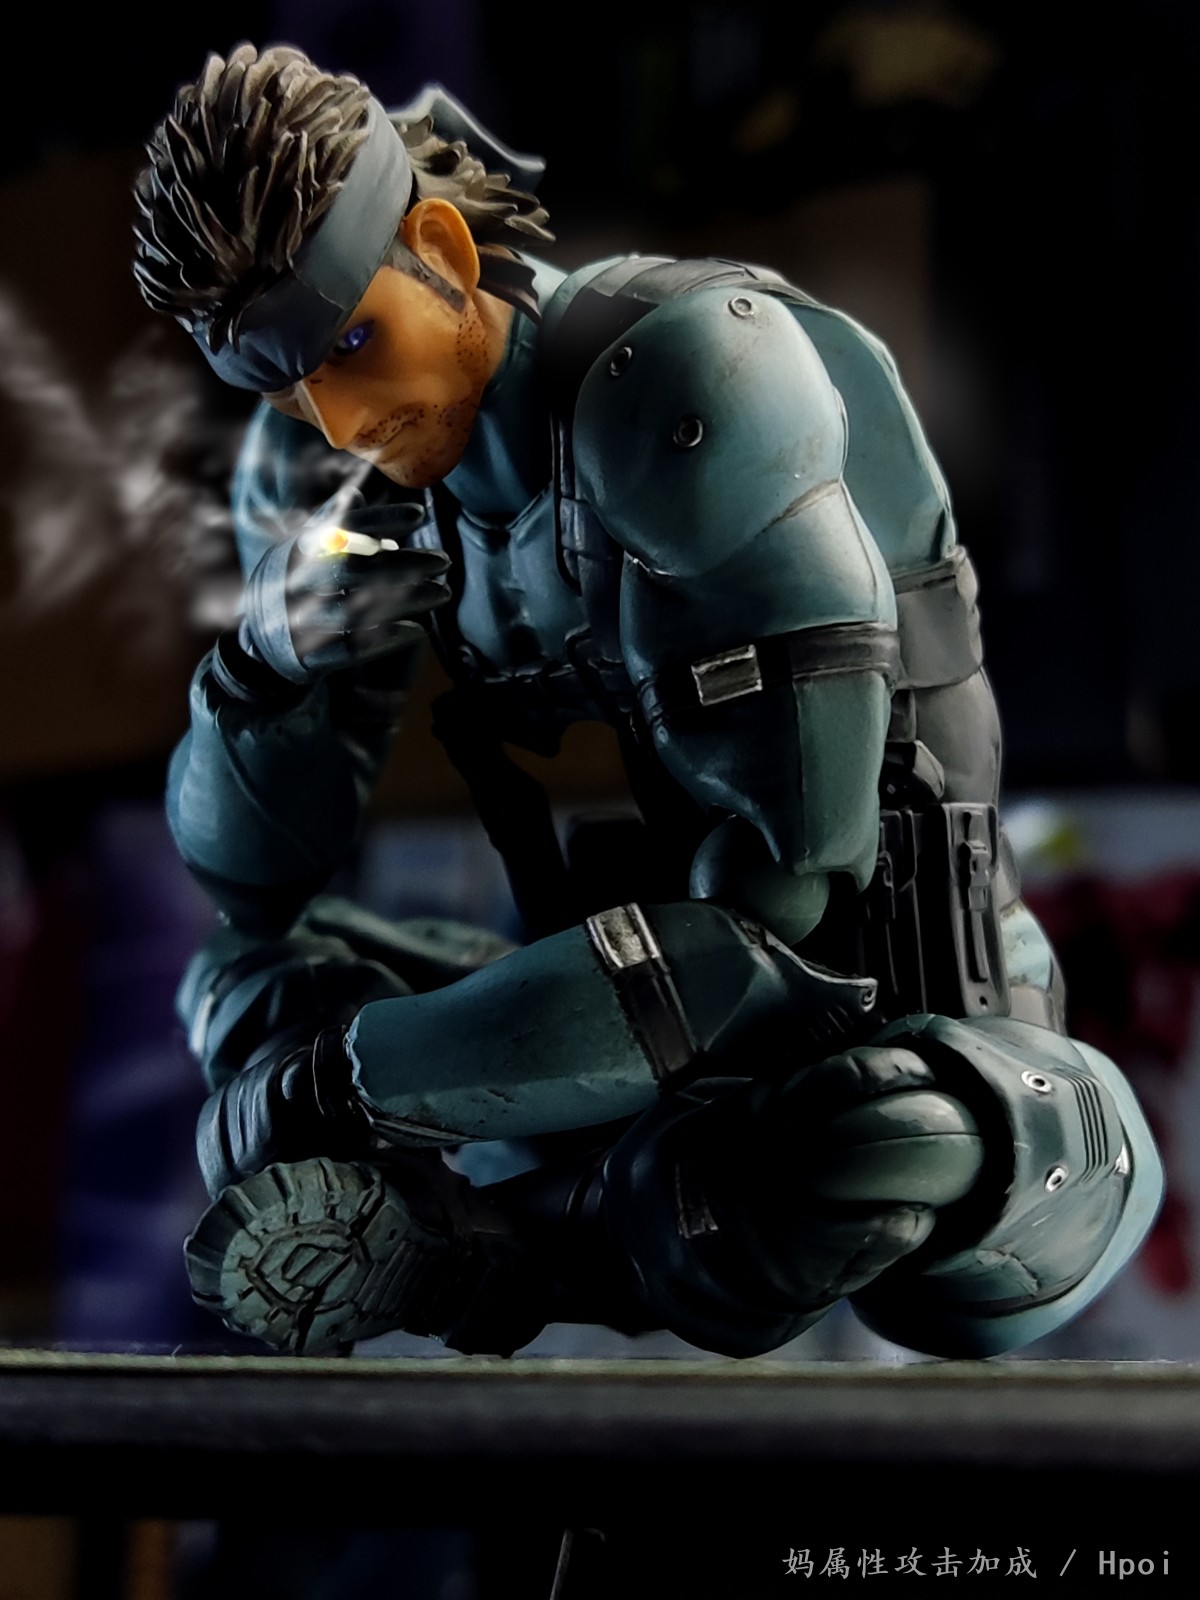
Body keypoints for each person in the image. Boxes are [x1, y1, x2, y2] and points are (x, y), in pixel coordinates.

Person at [133, 43, 1161, 1359]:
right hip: (630, 1000)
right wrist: (261, 670)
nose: (336, 423)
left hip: (904, 1010)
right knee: (244, 989)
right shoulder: (328, 473)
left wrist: (345, 1084)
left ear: (440, 249)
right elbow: (253, 891)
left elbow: (782, 919)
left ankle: (487, 1254)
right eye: (280, 385)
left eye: (350, 344)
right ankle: (508, 1231)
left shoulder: (687, 384)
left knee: (865, 1153)